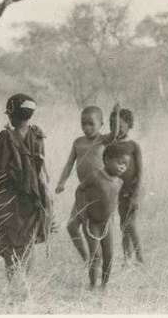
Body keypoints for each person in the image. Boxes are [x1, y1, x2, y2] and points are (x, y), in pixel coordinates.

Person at [0, 93, 53, 281]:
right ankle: (25, 282)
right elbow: (42, 169)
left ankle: (13, 282)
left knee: (10, 240)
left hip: (10, 199)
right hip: (33, 196)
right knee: (28, 240)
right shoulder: (38, 135)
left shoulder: (5, 137)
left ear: (11, 115)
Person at [55, 104, 120, 262]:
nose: (87, 127)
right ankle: (87, 259)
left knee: (99, 228)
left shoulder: (103, 140)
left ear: (101, 124)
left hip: (102, 193)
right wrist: (62, 182)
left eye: (91, 124)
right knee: (71, 226)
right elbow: (70, 163)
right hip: (84, 192)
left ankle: (101, 261)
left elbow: (115, 134)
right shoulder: (78, 142)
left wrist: (116, 115)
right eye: (83, 123)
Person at [76, 144, 130, 290]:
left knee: (109, 255)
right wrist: (82, 211)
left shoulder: (119, 182)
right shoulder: (95, 176)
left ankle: (104, 285)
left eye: (125, 165)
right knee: (96, 256)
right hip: (92, 223)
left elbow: (114, 201)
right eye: (120, 163)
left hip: (107, 224)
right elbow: (80, 189)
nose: (122, 167)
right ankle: (92, 285)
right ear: (107, 160)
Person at [109, 108, 144, 265]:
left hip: (133, 189)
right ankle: (127, 258)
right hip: (118, 190)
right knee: (123, 224)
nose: (115, 129)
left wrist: (136, 193)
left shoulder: (133, 146)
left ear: (129, 125)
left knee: (130, 224)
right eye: (112, 125)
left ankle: (140, 258)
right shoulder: (111, 144)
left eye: (120, 125)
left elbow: (140, 170)